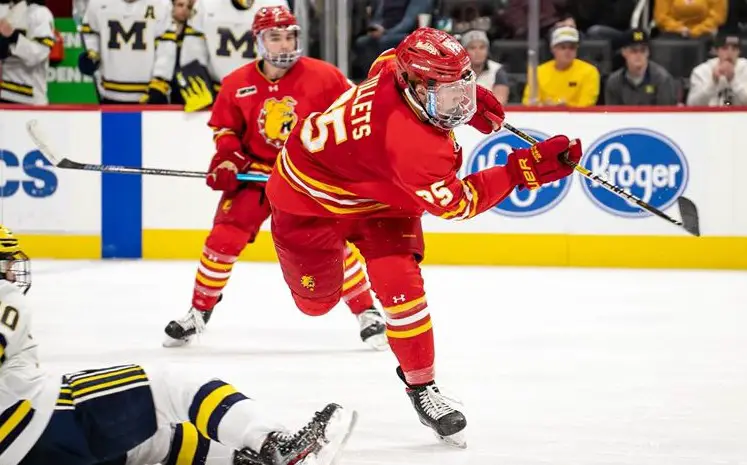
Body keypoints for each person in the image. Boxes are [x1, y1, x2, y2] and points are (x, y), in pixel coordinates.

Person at [265, 27, 582, 447]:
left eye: (463, 88)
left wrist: (467, 105)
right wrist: (517, 171)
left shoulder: (390, 62)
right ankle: (346, 266)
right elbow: (458, 203)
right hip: (307, 204)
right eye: (448, 93)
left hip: (382, 196)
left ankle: (422, 387)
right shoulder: (413, 146)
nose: (459, 101)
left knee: (402, 289)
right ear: (414, 85)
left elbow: (416, 74)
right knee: (316, 304)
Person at [0, 225, 357, 465]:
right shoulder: (4, 294)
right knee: (172, 389)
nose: (14, 273)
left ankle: (244, 460)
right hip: (32, 422)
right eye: (6, 262)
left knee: (156, 439)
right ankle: (275, 446)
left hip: (18, 451)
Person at [163, 5, 387, 351]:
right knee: (222, 240)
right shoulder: (236, 83)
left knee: (332, 246)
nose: (284, 45)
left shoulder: (326, 77)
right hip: (255, 178)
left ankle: (367, 312)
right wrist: (226, 159)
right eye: (275, 37)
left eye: (290, 37)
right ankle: (198, 312)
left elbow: (352, 117)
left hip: (306, 181)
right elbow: (225, 130)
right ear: (259, 40)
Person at [151, 0, 288, 108]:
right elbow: (192, 53)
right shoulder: (206, 5)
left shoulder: (276, 6)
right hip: (216, 97)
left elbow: (284, 53)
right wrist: (201, 91)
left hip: (262, 98)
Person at [77, 0, 174, 104]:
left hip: (149, 96)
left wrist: (160, 82)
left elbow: (166, 48)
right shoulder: (97, 4)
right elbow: (91, 32)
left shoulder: (162, 5)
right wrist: (92, 54)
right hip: (109, 94)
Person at [522, 25, 600, 106]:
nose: (568, 51)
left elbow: (587, 105)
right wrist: (544, 106)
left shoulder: (589, 71)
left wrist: (566, 106)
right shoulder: (538, 72)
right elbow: (528, 102)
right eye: (563, 47)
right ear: (553, 49)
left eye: (572, 48)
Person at [0, 0, 55, 105]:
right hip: (4, 94)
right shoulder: (3, 10)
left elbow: (38, 54)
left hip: (29, 97)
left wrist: (14, 38)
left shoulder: (40, 13)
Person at [605, 28, 677, 106]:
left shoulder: (662, 79)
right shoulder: (614, 82)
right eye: (634, 51)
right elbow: (612, 115)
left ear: (648, 52)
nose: (639, 55)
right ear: (624, 52)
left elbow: (666, 114)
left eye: (643, 50)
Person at [687, 33, 747, 106]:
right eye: (724, 48)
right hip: (709, 117)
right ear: (716, 51)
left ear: (739, 51)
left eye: (734, 49)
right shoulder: (701, 72)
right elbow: (692, 104)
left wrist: (733, 82)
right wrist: (713, 83)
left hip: (742, 117)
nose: (729, 53)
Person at [460, 29, 509, 105]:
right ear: (464, 51)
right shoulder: (456, 71)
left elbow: (500, 102)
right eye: (472, 48)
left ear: (487, 50)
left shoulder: (497, 70)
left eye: (482, 47)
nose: (478, 52)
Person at [654, 0, 727, 39]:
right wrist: (679, 28)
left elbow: (718, 16)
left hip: (705, 35)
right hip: (672, 35)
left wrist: (697, 30)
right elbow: (661, 16)